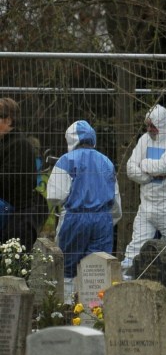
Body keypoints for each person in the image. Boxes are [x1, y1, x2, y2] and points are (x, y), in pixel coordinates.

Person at [46, 120, 122, 297]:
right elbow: (116, 200)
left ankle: (66, 311)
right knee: (98, 271)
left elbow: (55, 194)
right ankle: (95, 315)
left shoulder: (67, 160)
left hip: (75, 218)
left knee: (67, 268)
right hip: (103, 219)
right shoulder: (106, 162)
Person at [122, 104, 166, 273]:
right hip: (147, 206)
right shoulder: (144, 139)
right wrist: (150, 176)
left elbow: (164, 166)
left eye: (152, 125)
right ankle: (126, 283)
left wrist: (144, 163)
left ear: (161, 124)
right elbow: (131, 168)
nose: (149, 129)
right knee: (135, 248)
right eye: (147, 125)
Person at [0, 97, 46, 248]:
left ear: (8, 120)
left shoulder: (19, 145)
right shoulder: (6, 143)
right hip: (8, 215)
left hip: (17, 218)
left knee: (14, 267)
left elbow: (8, 179)